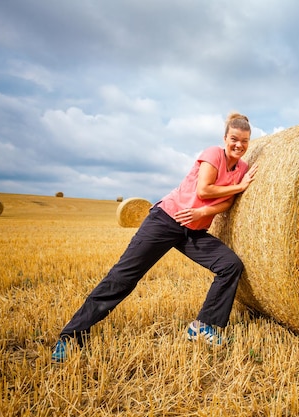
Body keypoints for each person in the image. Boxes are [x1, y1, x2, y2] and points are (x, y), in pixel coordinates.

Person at [51, 112, 258, 362]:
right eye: (234, 139)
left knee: (229, 265)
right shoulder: (213, 153)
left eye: (245, 141)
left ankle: (204, 326)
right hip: (165, 220)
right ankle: (70, 337)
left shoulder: (243, 168)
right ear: (225, 138)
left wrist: (204, 211)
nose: (239, 145)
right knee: (123, 277)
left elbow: (226, 203)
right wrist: (240, 186)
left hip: (194, 229)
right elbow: (205, 189)